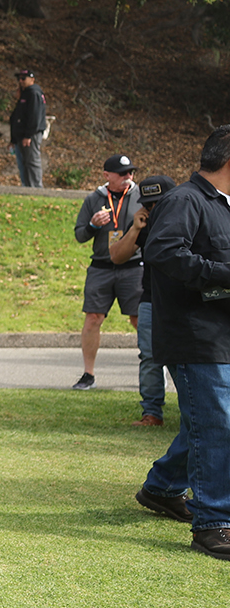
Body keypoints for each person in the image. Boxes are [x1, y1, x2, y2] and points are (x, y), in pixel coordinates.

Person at [136, 125, 230, 560]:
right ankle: (213, 523)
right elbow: (163, 251)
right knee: (218, 426)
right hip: (195, 336)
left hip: (219, 334)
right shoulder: (184, 200)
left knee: (205, 422)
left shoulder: (221, 206)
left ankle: (162, 487)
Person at [71, 154, 141, 391]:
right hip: (101, 267)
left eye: (130, 172)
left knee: (140, 319)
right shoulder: (94, 199)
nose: (127, 177)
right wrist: (93, 225)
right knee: (93, 318)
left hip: (133, 267)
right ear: (107, 175)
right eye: (122, 174)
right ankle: (88, 374)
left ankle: (155, 366)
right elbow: (80, 235)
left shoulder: (141, 197)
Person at [110, 175, 176, 426]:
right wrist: (136, 229)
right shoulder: (143, 222)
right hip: (150, 298)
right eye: (148, 204)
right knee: (149, 356)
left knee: (184, 359)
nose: (152, 208)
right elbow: (117, 256)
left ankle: (193, 411)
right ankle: (152, 412)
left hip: (182, 299)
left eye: (157, 203)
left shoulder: (186, 218)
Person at [9, 69, 46, 187]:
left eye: (23, 78)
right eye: (19, 78)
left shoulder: (33, 93)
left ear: (32, 79)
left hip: (30, 135)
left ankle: (36, 188)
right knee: (25, 162)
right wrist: (13, 139)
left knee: (32, 161)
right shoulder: (25, 94)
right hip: (22, 135)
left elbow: (34, 116)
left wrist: (28, 135)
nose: (20, 81)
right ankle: (28, 187)